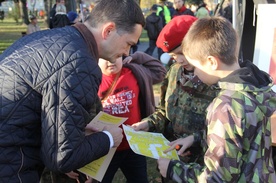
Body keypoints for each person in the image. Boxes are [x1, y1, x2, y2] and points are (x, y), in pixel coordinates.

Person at [0, 0, 145, 182]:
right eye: (128, 43)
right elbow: (63, 156)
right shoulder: (79, 63)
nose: (126, 52)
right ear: (108, 30)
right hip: (12, 163)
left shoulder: (56, 39)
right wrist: (109, 137)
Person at [157, 16, 276, 182]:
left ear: (212, 62)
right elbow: (241, 137)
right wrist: (195, 138)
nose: (195, 73)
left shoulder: (225, 106)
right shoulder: (256, 87)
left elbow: (218, 177)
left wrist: (172, 169)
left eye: (196, 67)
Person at [132, 15, 218, 182]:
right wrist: (148, 123)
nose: (178, 60)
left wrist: (194, 141)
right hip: (171, 163)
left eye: (182, 53)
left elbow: (224, 131)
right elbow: (164, 112)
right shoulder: (174, 72)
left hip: (202, 170)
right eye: (173, 56)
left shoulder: (216, 80)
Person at [95, 52, 166, 183]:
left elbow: (160, 71)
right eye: (105, 58)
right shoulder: (92, 80)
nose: (111, 61)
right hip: (105, 148)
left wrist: (136, 56)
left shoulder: (134, 72)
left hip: (133, 145)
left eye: (116, 56)